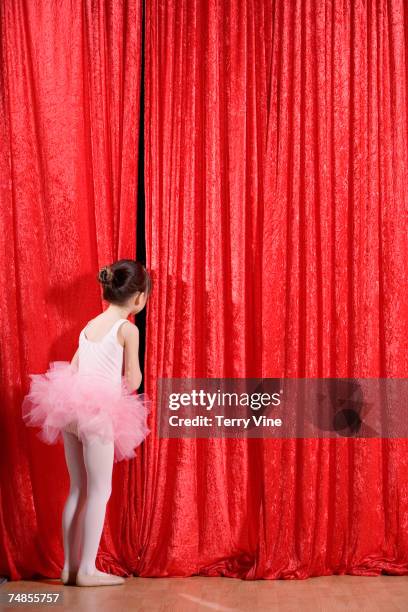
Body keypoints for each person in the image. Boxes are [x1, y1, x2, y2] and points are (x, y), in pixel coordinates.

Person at [21, 259, 152, 587]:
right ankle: (89, 570)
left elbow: (76, 367)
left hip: (71, 409)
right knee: (100, 490)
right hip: (98, 414)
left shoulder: (89, 326)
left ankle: (69, 568)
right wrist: (128, 381)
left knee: (78, 489)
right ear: (138, 298)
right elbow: (133, 379)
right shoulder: (127, 329)